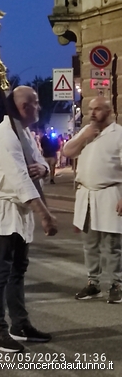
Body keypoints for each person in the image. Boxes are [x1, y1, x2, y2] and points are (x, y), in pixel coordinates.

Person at [0, 86, 57, 353]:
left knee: (18, 269)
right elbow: (20, 180)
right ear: (23, 107)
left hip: (18, 212)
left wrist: (43, 168)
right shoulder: (5, 137)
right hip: (2, 210)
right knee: (0, 271)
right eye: (34, 103)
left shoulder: (23, 132)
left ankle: (20, 324)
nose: (39, 107)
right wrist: (44, 214)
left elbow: (38, 162)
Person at [63, 97, 122, 304]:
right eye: (90, 109)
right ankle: (93, 283)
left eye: (98, 109)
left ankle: (116, 284)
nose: (93, 113)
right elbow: (67, 151)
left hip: (110, 193)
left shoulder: (118, 134)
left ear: (109, 111)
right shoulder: (86, 132)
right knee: (90, 244)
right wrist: (83, 137)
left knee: (112, 245)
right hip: (86, 196)